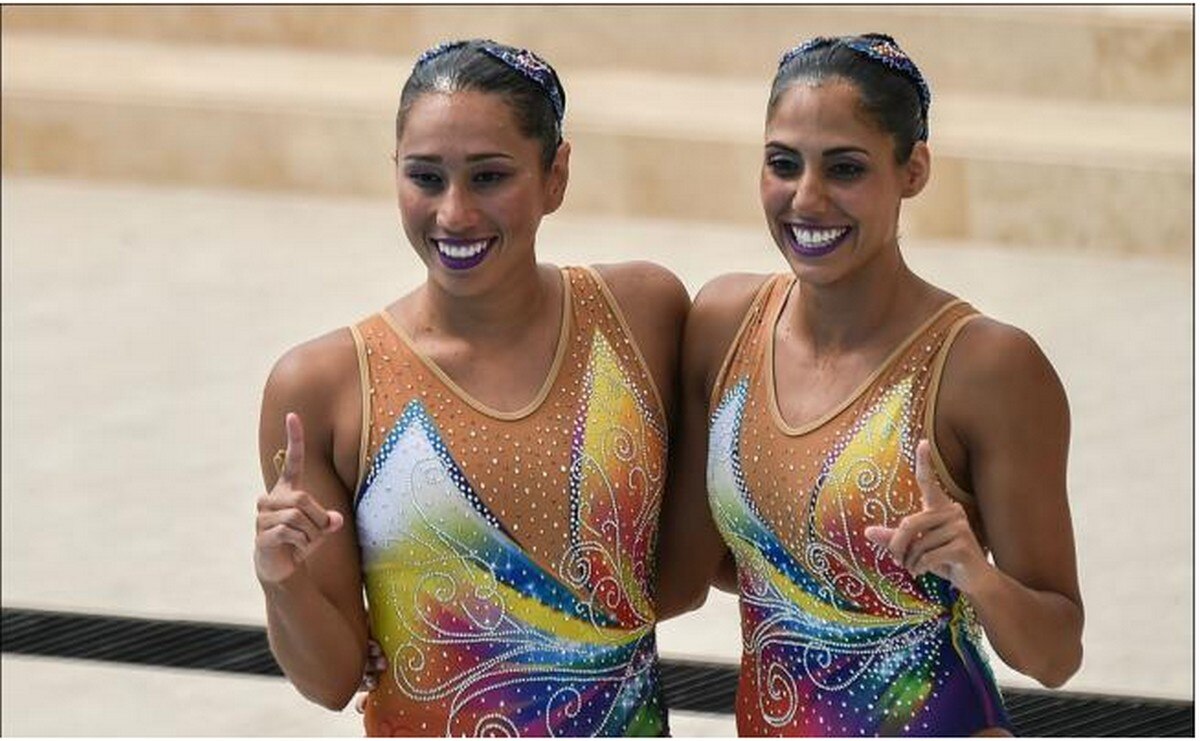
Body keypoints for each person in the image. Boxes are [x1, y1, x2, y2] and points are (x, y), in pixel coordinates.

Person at [254, 38, 689, 737]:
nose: (454, 213)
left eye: (489, 177)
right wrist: (281, 579)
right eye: (426, 178)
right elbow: (331, 678)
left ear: (556, 175)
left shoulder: (641, 315)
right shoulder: (325, 385)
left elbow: (686, 574)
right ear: (394, 172)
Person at [656, 33, 1083, 736]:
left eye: (845, 168)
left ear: (912, 169)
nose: (807, 198)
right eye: (782, 164)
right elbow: (696, 572)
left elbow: (1056, 651)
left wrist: (975, 572)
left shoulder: (987, 366)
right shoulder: (725, 323)